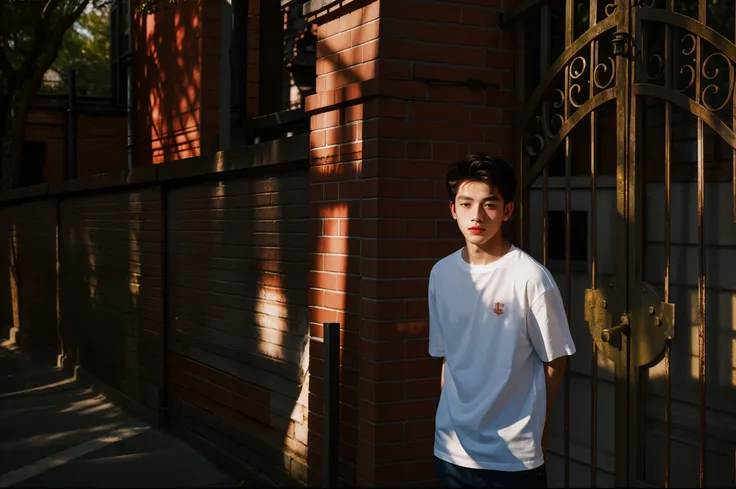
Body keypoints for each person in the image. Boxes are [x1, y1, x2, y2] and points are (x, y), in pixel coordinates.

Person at [428, 153, 576, 488]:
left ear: (507, 210)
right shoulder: (441, 274)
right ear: (453, 210)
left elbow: (556, 359)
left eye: (489, 204)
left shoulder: (530, 277)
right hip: (450, 452)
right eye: (466, 204)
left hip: (512, 460)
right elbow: (448, 357)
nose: (476, 216)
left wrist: (537, 430)